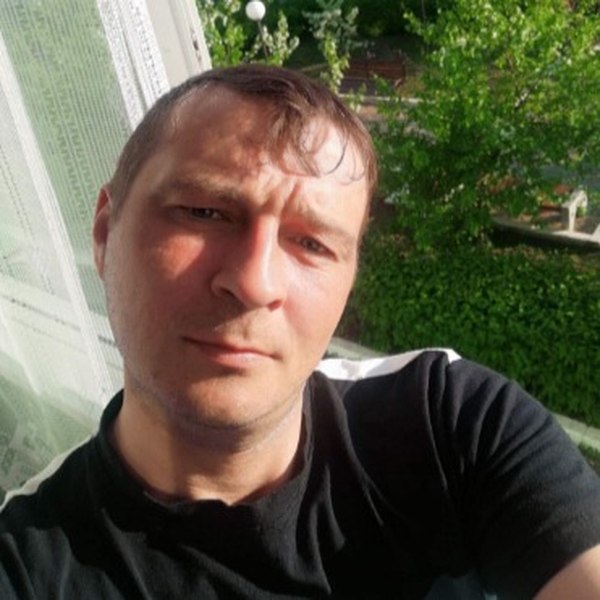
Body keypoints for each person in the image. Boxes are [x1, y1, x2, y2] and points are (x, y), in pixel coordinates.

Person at [1, 64, 599, 599]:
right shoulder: (25, 563)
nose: (254, 282)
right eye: (204, 212)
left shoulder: (448, 422)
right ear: (105, 233)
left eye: (312, 244)